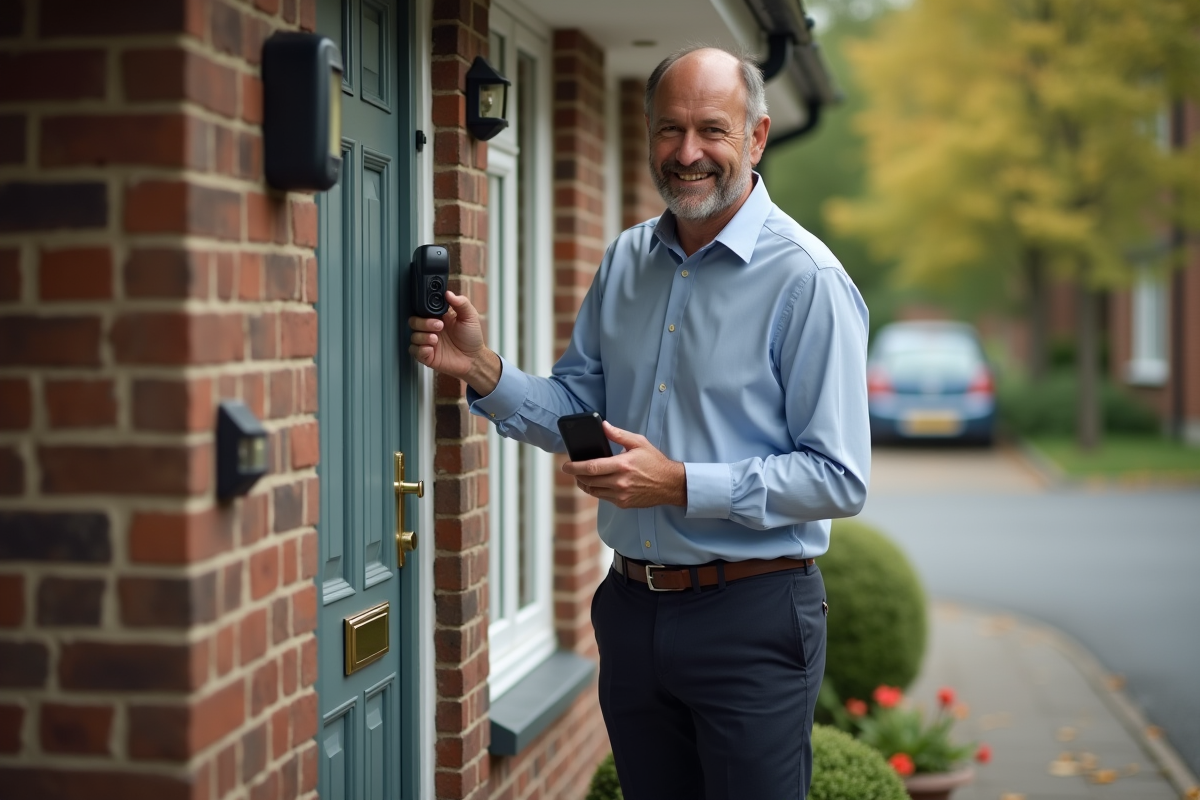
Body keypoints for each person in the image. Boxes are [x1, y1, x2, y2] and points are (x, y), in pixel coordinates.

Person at [410, 45, 870, 800]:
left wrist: (681, 484)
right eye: (669, 130)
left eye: (712, 131)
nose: (688, 153)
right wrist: (484, 372)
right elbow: (580, 415)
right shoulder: (626, 260)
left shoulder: (807, 280)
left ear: (756, 138)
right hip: (629, 610)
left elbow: (839, 477)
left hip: (752, 616)